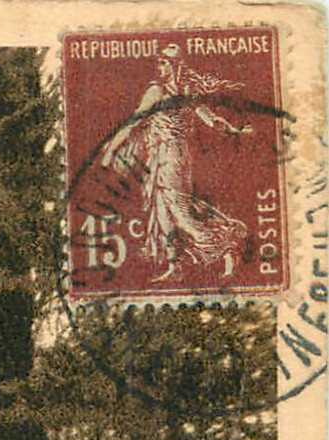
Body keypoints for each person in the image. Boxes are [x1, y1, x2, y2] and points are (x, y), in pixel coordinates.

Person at [97, 42, 252, 283]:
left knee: (179, 213)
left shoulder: (157, 92)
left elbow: (132, 124)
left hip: (170, 156)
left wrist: (110, 152)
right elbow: (210, 119)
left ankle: (226, 244)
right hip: (169, 155)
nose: (160, 67)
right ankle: (175, 265)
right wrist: (233, 129)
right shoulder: (184, 90)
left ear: (174, 65)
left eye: (164, 63)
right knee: (163, 212)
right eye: (159, 62)